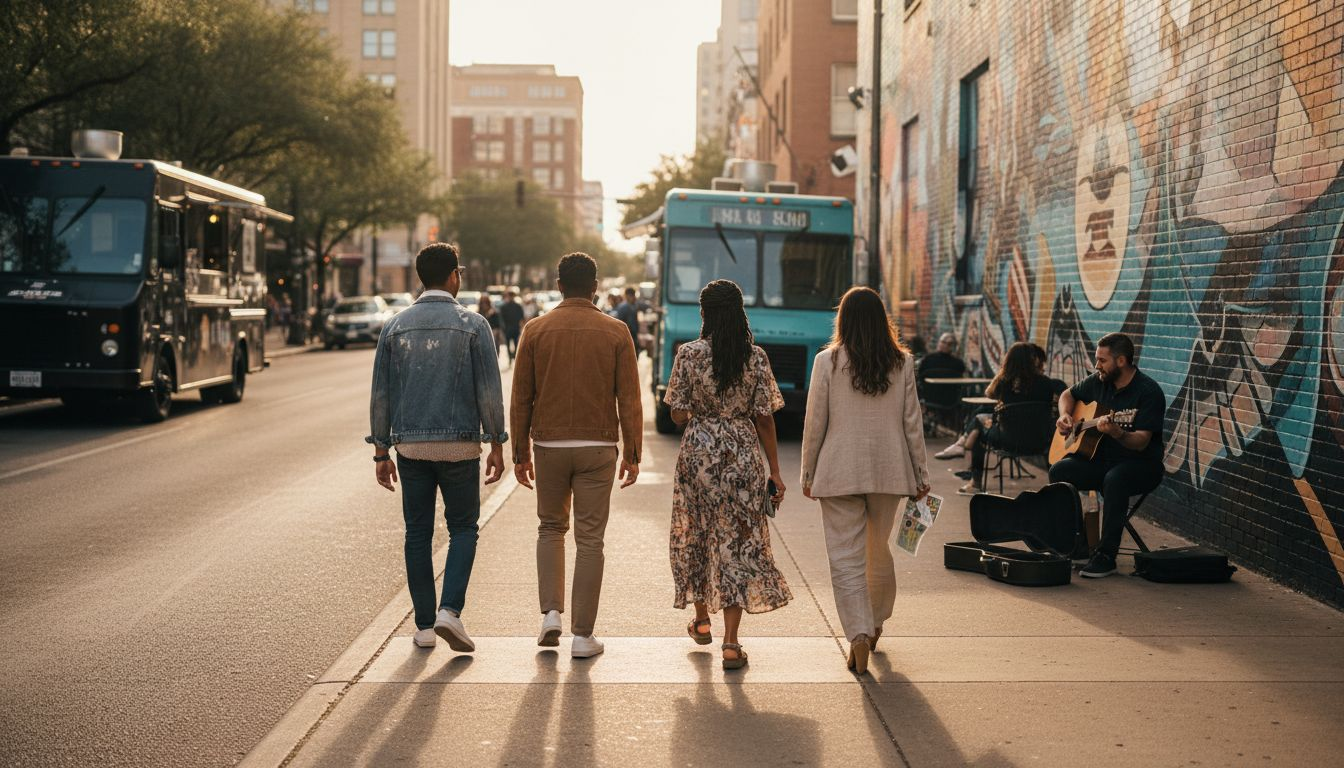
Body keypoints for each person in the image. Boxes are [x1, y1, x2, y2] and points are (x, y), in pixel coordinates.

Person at [366, 242, 508, 653]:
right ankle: (451, 610)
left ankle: (425, 626)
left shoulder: (394, 326)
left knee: (417, 533)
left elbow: (381, 394)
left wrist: (381, 451)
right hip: (460, 446)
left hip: (410, 447)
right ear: (453, 276)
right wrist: (496, 442)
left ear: (420, 277)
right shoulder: (474, 325)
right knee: (463, 528)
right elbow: (488, 391)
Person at [511, 252, 643, 659]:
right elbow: (629, 399)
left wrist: (519, 452)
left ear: (559, 286)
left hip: (548, 445)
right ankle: (583, 637)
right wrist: (632, 452)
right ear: (596, 287)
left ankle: (551, 613)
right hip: (597, 446)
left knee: (550, 528)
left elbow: (521, 398)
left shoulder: (535, 330)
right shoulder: (617, 331)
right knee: (590, 540)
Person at [800, 287, 929, 675]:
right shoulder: (902, 363)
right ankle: (875, 622)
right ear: (881, 319)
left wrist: (808, 472)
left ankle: (857, 634)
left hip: (838, 470)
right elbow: (912, 423)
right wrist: (920, 475)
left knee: (846, 558)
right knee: (877, 549)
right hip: (889, 472)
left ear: (843, 319)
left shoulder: (827, 361)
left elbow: (815, 422)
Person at [664, 279, 792, 671]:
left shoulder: (688, 354)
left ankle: (702, 620)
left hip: (699, 457)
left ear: (704, 313)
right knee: (738, 543)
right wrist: (775, 471)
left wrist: (700, 411)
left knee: (698, 534)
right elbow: (765, 417)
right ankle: (732, 643)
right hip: (742, 457)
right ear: (740, 313)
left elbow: (677, 413)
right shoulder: (755, 357)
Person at [1048, 332, 1166, 578]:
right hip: (1101, 460)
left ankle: (1106, 556)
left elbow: (1141, 442)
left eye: (1102, 360)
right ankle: (1077, 544)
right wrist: (1065, 415)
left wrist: (1118, 433)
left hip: (1141, 465)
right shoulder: (1099, 381)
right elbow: (1068, 395)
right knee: (1059, 471)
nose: (1096, 365)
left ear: (1121, 361)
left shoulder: (1148, 392)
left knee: (1115, 479)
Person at [939, 342, 1066, 494]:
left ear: (1009, 360)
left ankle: (975, 481)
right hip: (1040, 441)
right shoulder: (1046, 383)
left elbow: (989, 394)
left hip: (1007, 441)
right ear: (1033, 360)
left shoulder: (1004, 381)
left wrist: (1003, 372)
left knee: (979, 427)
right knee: (981, 419)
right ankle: (1057, 489)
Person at [499, 289, 525, 362]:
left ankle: (511, 358)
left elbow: (501, 319)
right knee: (515, 344)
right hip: (514, 328)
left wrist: (503, 328)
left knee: (509, 344)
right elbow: (522, 318)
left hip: (508, 328)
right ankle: (514, 357)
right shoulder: (518, 306)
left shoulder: (504, 307)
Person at [476, 293, 503, 358]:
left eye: (486, 302)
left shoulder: (494, 312)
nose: (484, 304)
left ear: (488, 303)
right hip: (482, 336)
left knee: (495, 352)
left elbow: (498, 325)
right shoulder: (478, 313)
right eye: (482, 302)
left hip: (493, 335)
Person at [614, 286, 640, 351]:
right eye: (633, 296)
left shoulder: (632, 305)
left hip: (629, 336)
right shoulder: (624, 307)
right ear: (628, 296)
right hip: (627, 337)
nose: (635, 297)